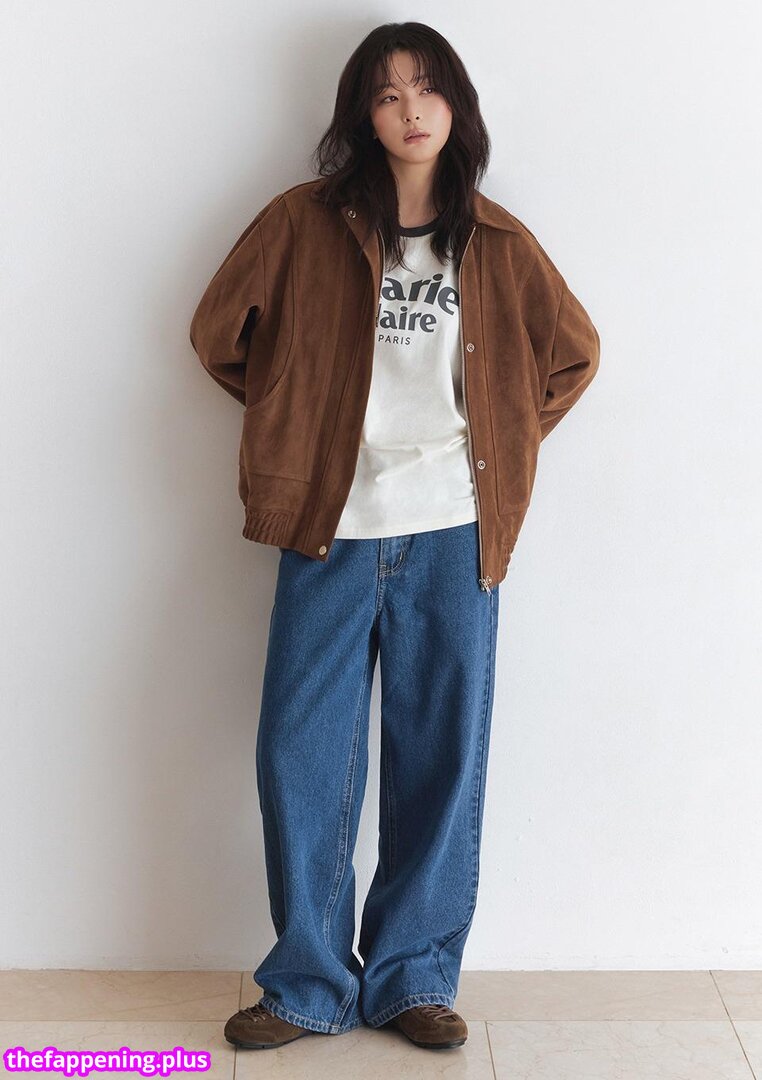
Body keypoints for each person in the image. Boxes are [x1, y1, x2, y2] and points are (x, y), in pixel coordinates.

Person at [189, 21, 600, 1053]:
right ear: (361, 117)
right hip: (329, 529)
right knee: (302, 753)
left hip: (457, 532)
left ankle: (413, 978)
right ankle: (307, 984)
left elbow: (573, 355)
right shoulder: (300, 224)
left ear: (456, 106)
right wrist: (296, 423)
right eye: (386, 94)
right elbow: (217, 335)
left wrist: (499, 439)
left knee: (439, 757)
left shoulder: (498, 243)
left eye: (427, 90)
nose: (411, 111)